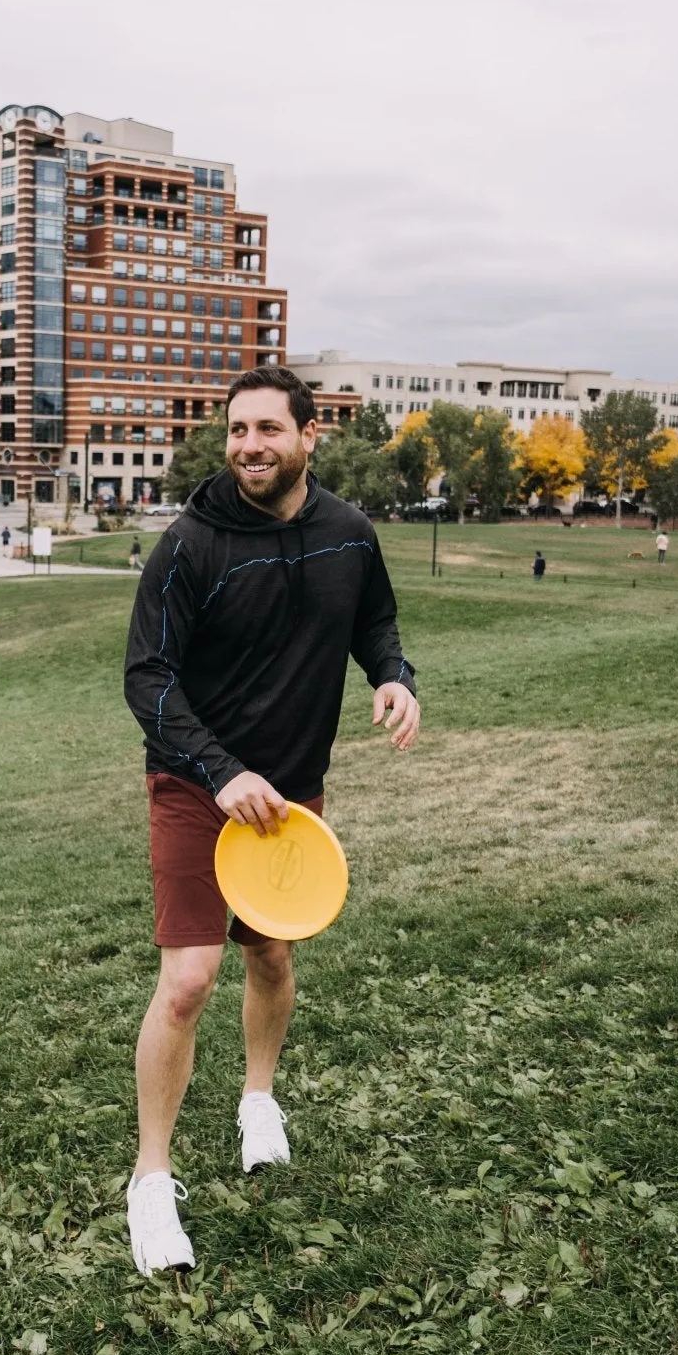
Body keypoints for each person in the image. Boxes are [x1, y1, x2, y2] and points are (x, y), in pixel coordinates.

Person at [122, 365, 419, 1274]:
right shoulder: (189, 545)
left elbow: (373, 618)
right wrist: (217, 772)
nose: (249, 445)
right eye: (236, 429)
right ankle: (151, 1180)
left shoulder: (348, 533)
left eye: (266, 429)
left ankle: (258, 1098)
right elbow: (148, 678)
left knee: (272, 953)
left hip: (291, 795)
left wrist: (393, 675)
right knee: (188, 981)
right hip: (194, 785)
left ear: (308, 434)